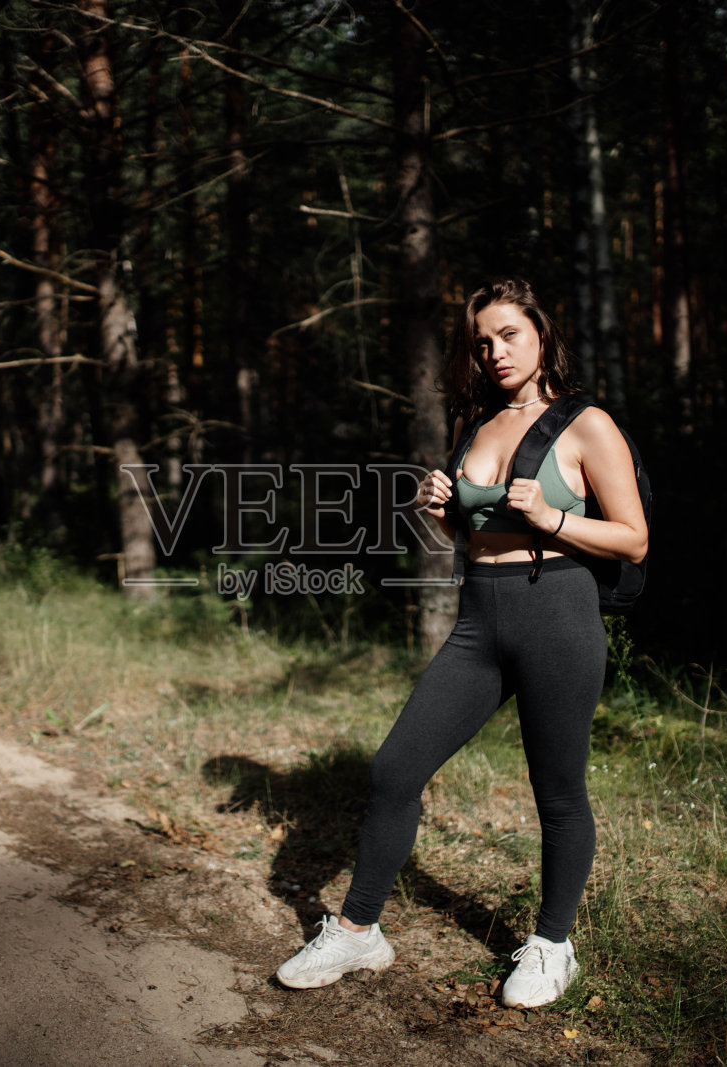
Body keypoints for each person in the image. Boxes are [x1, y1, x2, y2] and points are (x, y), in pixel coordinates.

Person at [274, 276, 648, 1009]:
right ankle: (358, 931)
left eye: (509, 333)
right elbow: (472, 536)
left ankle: (551, 945)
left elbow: (634, 538)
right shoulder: (476, 424)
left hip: (560, 612)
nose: (494, 350)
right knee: (394, 769)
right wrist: (440, 509)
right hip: (479, 619)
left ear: (541, 334)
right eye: (482, 340)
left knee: (559, 791)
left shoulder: (586, 424)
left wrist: (551, 516)